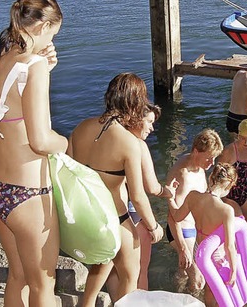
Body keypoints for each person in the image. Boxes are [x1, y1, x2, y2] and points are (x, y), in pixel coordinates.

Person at [0, 0, 68, 307]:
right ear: (42, 27)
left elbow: (5, 115)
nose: (51, 42)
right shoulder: (34, 67)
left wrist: (43, 67)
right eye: (53, 33)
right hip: (25, 193)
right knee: (43, 284)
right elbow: (40, 140)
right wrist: (66, 144)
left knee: (17, 275)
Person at [68, 73, 164, 306]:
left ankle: (86, 304)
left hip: (87, 215)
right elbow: (138, 196)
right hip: (115, 216)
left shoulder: (81, 128)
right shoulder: (129, 143)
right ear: (134, 102)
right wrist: (154, 226)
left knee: (101, 263)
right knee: (130, 275)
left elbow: (69, 172)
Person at [106, 103, 176, 295]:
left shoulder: (110, 138)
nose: (152, 128)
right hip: (131, 212)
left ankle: (115, 301)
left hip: (107, 209)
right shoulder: (138, 146)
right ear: (136, 119)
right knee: (139, 268)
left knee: (112, 266)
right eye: (150, 122)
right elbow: (151, 188)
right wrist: (167, 192)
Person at [170, 162, 239, 307]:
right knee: (217, 291)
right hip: (216, 255)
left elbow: (176, 217)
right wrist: (233, 270)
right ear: (229, 185)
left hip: (200, 251)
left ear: (210, 179)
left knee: (209, 286)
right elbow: (229, 245)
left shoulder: (193, 197)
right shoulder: (226, 210)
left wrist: (170, 197)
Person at [166, 129, 224, 294]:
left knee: (184, 272)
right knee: (199, 280)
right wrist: (183, 248)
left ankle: (176, 296)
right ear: (196, 151)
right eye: (209, 158)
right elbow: (172, 217)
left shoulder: (199, 167)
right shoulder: (182, 174)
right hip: (180, 230)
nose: (212, 163)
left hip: (194, 227)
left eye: (214, 158)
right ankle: (192, 300)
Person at [218, 119, 247, 219]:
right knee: (235, 225)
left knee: (244, 225)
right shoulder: (229, 150)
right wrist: (215, 196)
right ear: (238, 134)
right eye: (242, 138)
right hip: (229, 193)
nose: (246, 142)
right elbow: (217, 173)